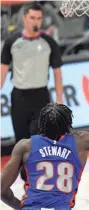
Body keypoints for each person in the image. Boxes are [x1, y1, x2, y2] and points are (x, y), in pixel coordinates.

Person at [0, 77, 89, 210]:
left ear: (41, 125)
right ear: (68, 124)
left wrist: (21, 207)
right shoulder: (81, 142)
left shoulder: (25, 146)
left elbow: (2, 191)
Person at [1, 3, 63, 148]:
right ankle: (24, 171)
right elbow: (2, 73)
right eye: (32, 18)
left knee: (39, 140)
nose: (36, 22)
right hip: (19, 98)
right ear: (24, 18)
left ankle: (40, 171)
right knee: (21, 143)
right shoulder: (12, 42)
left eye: (39, 18)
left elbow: (57, 74)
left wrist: (59, 103)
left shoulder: (50, 43)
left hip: (41, 97)